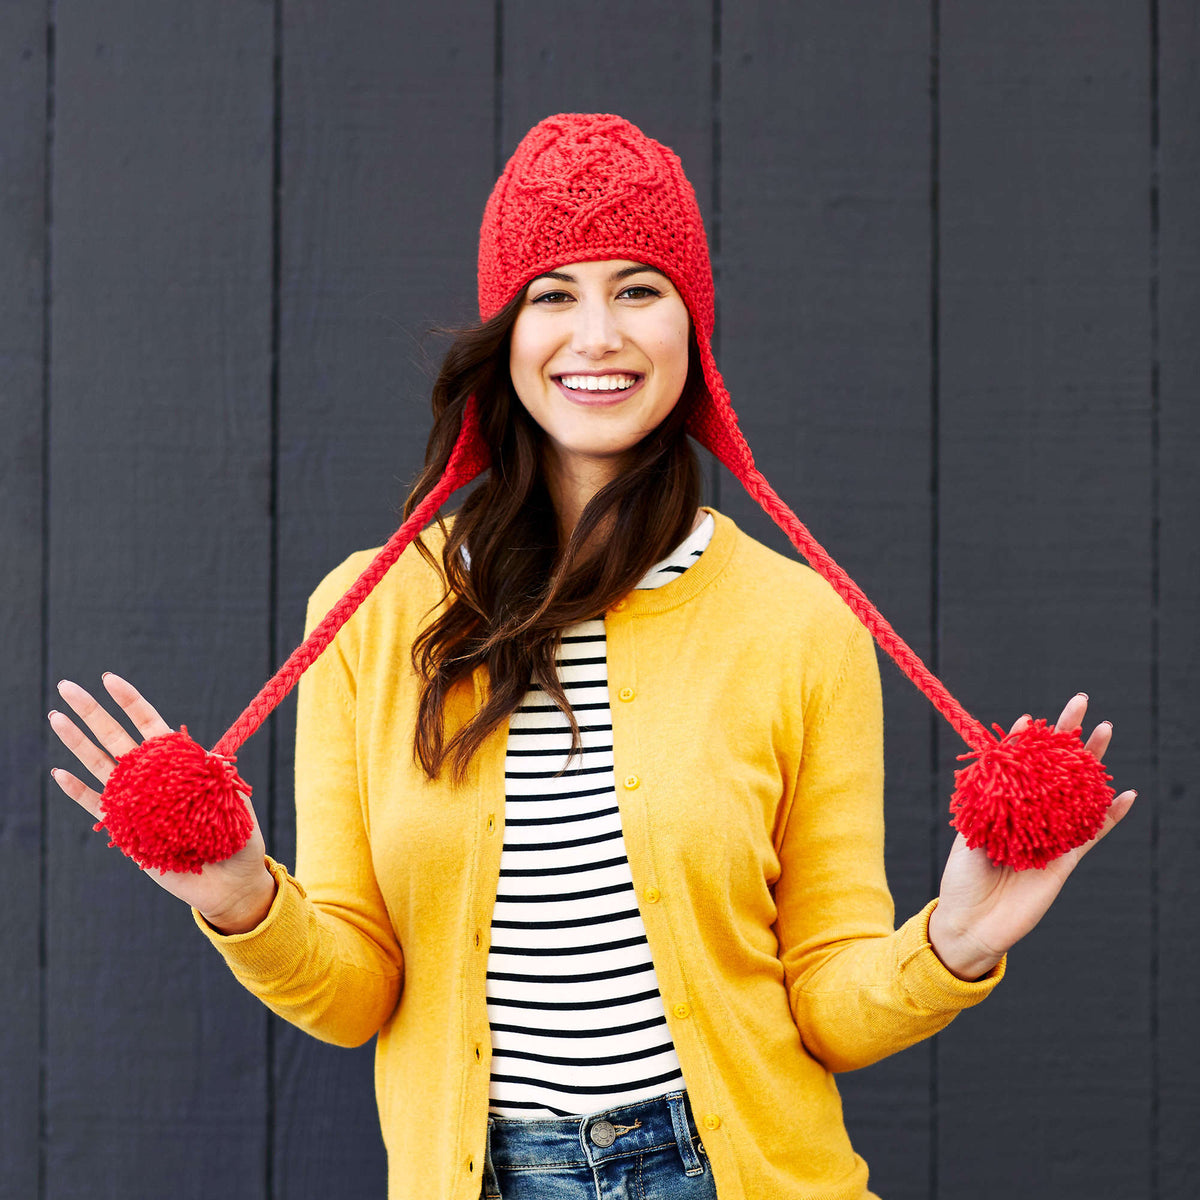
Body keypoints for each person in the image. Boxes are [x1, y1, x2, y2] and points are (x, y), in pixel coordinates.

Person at [46, 113, 1136, 1200]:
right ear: (505, 332)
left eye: (639, 289)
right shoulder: (370, 612)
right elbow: (355, 998)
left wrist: (951, 942)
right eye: (553, 294)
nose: (597, 335)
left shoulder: (800, 623)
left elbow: (826, 1006)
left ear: (692, 327)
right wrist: (243, 899)